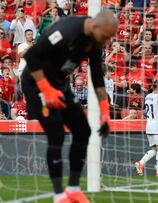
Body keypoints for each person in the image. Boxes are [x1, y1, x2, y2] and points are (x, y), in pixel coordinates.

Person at [20, 11, 117, 203]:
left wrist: (105, 113)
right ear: (95, 26)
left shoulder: (94, 42)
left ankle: (73, 189)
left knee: (83, 131)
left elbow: (97, 78)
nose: (106, 42)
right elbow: (31, 56)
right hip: (36, 82)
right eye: (105, 36)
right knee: (56, 134)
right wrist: (46, 90)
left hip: (59, 84)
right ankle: (59, 196)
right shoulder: (66, 30)